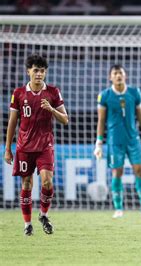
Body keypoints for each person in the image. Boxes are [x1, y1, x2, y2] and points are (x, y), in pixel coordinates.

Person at [4, 54, 69, 236]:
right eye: (35, 70)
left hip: (45, 146)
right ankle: (27, 224)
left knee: (47, 181)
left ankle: (44, 214)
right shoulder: (18, 93)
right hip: (24, 147)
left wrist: (52, 109)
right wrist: (8, 149)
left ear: (45, 72)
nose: (39, 74)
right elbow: (12, 122)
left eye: (42, 71)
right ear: (28, 72)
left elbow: (65, 120)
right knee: (26, 184)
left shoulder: (53, 92)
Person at [94, 64, 141, 219]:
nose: (118, 76)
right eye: (115, 73)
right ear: (110, 77)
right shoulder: (105, 95)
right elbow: (101, 121)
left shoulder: (134, 93)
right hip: (114, 141)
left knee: (139, 170)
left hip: (133, 139)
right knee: (117, 172)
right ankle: (118, 208)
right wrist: (99, 143)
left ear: (125, 75)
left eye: (120, 73)